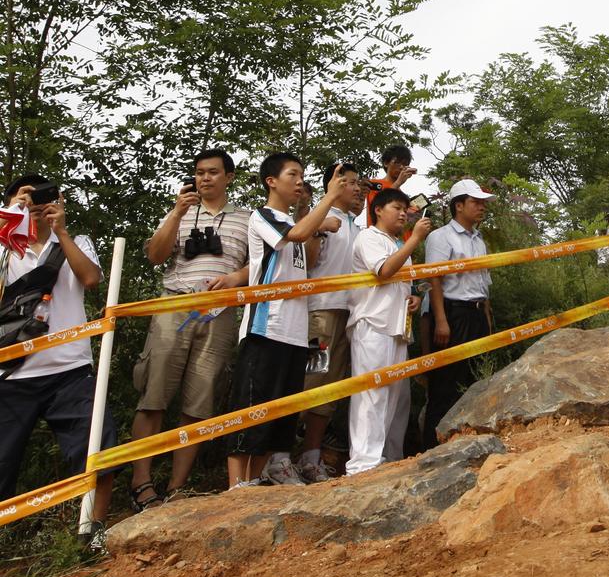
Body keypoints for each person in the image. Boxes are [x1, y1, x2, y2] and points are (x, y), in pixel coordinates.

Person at [130, 149, 250, 509]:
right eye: (199, 173)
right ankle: (141, 483)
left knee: (199, 403)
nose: (205, 179)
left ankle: (177, 488)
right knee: (154, 396)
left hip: (220, 314)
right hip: (175, 306)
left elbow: (258, 264)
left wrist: (234, 278)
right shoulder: (178, 214)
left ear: (229, 176)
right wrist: (177, 212)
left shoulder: (246, 218)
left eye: (213, 172)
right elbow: (155, 255)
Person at [0, 175, 116, 545]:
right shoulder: (4, 248)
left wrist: (60, 231)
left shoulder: (75, 241)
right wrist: (10, 226)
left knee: (99, 446)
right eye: (26, 199)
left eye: (44, 197)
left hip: (70, 368)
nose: (36, 204)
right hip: (11, 373)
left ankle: (90, 534)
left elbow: (91, 278)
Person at [224, 154, 350, 489]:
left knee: (280, 414)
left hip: (296, 332)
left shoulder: (294, 221)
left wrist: (317, 222)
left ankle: (256, 480)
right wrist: (328, 200)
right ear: (271, 181)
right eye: (292, 174)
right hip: (266, 327)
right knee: (251, 409)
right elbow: (294, 235)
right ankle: (237, 489)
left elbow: (306, 251)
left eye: (301, 175)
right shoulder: (262, 216)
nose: (299, 181)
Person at [347, 189, 431, 474]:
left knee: (397, 397)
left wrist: (414, 299)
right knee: (372, 394)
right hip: (373, 324)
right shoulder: (369, 237)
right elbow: (384, 271)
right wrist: (416, 239)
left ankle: (389, 459)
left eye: (406, 209)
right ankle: (363, 463)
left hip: (397, 328)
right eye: (398, 207)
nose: (404, 213)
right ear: (379, 210)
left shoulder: (396, 243)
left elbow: (399, 280)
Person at [296, 162, 365, 482]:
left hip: (347, 313)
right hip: (319, 313)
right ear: (331, 186)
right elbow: (307, 264)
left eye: (357, 183)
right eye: (348, 182)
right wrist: (320, 229)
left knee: (331, 388)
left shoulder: (359, 227)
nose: (356, 188)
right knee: (310, 381)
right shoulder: (317, 221)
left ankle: (311, 458)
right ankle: (279, 455)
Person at [421, 179, 496, 448]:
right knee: (445, 385)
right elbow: (435, 281)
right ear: (459, 205)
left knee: (475, 381)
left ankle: (467, 444)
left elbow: (482, 282)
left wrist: (486, 318)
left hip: (476, 313)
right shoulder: (440, 237)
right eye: (476, 202)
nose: (482, 207)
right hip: (453, 314)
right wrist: (441, 320)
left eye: (482, 202)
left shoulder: (479, 239)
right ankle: (431, 448)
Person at [365, 145, 417, 224]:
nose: (401, 167)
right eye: (397, 163)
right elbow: (378, 207)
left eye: (405, 164)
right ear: (386, 163)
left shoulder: (402, 195)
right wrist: (398, 183)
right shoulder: (375, 184)